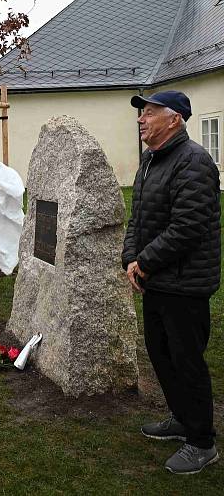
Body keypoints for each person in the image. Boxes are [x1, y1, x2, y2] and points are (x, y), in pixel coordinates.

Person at [124, 90, 220, 475]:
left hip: (184, 285)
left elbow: (188, 227)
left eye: (149, 113)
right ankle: (182, 418)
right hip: (157, 281)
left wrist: (144, 262)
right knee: (161, 354)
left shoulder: (194, 161)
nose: (141, 120)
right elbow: (138, 217)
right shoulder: (150, 161)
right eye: (141, 114)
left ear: (175, 119)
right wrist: (131, 257)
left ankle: (202, 442)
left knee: (187, 361)